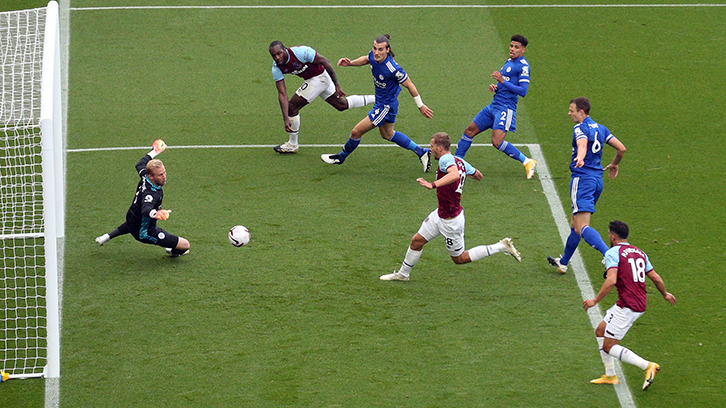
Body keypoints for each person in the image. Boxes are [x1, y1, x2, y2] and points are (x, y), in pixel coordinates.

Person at [380, 132, 521, 281]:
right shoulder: (458, 161)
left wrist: (432, 184)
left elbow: (454, 175)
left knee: (459, 258)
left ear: (440, 148)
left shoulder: (445, 159)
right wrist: (466, 172)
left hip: (450, 221)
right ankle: (403, 274)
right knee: (416, 241)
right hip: (440, 214)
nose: (430, 149)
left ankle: (501, 246)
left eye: (432, 146)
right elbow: (478, 175)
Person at [583, 220, 676, 390]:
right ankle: (610, 375)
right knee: (600, 330)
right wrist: (665, 293)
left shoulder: (613, 253)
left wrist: (594, 301)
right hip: (631, 303)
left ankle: (647, 366)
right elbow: (655, 277)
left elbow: (611, 280)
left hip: (628, 306)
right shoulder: (640, 253)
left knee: (609, 346)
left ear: (612, 236)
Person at [321, 34, 434, 172]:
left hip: (385, 107)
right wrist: (350, 63)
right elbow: (365, 59)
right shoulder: (374, 57)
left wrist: (420, 105)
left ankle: (341, 157)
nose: (376, 52)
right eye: (374, 48)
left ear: (387, 50)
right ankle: (421, 152)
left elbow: (410, 85)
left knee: (356, 131)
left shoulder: (393, 69)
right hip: (383, 103)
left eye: (380, 49)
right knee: (387, 134)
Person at [548, 97, 626, 273]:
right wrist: (614, 164)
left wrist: (581, 157)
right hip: (597, 181)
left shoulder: (580, 128)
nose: (569, 113)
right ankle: (564, 262)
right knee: (576, 223)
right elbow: (621, 148)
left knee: (582, 226)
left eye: (571, 110)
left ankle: (609, 255)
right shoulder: (601, 128)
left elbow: (582, 144)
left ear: (581, 112)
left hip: (582, 179)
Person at [454, 34, 537, 179]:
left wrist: (502, 82)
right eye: (511, 46)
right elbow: (506, 82)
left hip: (506, 108)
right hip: (494, 105)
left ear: (523, 50)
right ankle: (456, 162)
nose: (512, 49)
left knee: (496, 141)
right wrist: (497, 87)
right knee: (469, 131)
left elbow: (523, 91)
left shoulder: (523, 67)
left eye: (516, 47)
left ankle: (527, 161)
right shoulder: (508, 62)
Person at [269, 41, 375, 154]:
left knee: (292, 107)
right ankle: (379, 98)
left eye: (279, 53)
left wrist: (337, 85)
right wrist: (285, 117)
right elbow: (282, 93)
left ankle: (292, 144)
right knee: (342, 105)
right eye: (274, 55)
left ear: (285, 49)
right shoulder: (276, 68)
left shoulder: (301, 52)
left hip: (319, 78)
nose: (277, 57)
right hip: (316, 79)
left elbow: (325, 61)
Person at [95, 139, 191, 257]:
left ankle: (106, 237)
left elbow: (140, 164)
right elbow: (146, 209)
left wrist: (154, 151)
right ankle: (171, 251)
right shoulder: (151, 194)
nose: (164, 177)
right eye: (160, 175)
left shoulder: (145, 176)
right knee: (185, 246)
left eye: (164, 172)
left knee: (132, 223)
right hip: (144, 232)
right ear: (151, 176)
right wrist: (155, 214)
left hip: (132, 217)